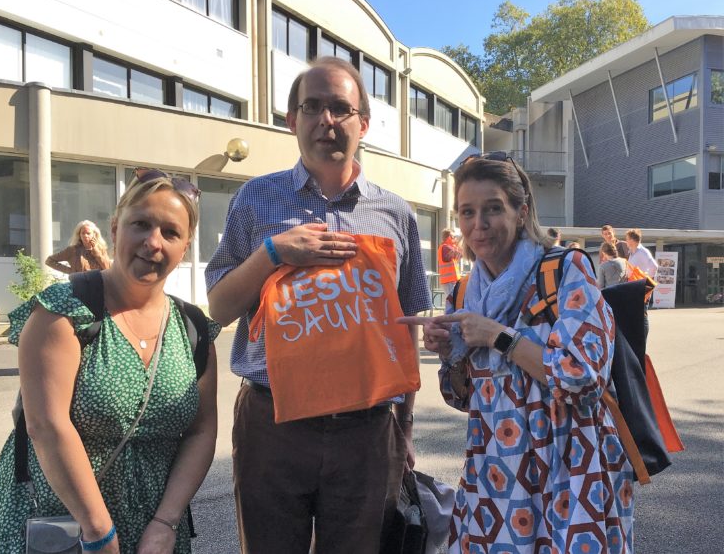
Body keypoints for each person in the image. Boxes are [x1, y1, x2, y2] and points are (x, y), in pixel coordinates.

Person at [205, 56, 430, 553]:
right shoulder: (254, 200)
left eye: (340, 108)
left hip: (366, 431)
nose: (327, 120)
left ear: (363, 124)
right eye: (313, 107)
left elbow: (407, 322)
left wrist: (405, 425)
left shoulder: (396, 213)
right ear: (292, 120)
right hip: (273, 426)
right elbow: (219, 308)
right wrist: (273, 253)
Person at [399, 154, 634, 553]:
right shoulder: (465, 292)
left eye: (493, 209)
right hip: (496, 471)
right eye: (467, 212)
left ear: (521, 211)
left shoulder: (564, 268)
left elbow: (583, 377)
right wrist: (450, 352)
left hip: (568, 464)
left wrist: (498, 336)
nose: (479, 224)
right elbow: (463, 397)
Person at [0, 168, 220, 553]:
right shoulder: (64, 311)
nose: (153, 242)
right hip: (60, 525)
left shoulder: (192, 327)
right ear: (115, 228)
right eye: (140, 224)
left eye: (170, 232)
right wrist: (98, 530)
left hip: (154, 532)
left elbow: (201, 431)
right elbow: (46, 426)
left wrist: (167, 522)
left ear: (186, 245)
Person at [45, 219, 111, 274]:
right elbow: (49, 261)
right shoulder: (73, 250)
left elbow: (108, 268)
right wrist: (71, 271)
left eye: (88, 233)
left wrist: (96, 252)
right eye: (83, 233)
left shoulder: (101, 249)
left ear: (94, 234)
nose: (85, 236)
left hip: (98, 284)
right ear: (79, 235)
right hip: (80, 284)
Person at [626, 228, 658, 338]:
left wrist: (647, 284)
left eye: (627, 239)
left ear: (632, 240)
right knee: (637, 314)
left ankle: (643, 340)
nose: (626, 241)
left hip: (641, 288)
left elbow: (654, 267)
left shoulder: (642, 252)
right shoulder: (632, 252)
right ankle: (638, 337)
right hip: (634, 287)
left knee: (643, 314)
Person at [438, 227, 462, 296]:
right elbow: (459, 254)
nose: (455, 238)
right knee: (452, 300)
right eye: (453, 237)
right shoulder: (445, 247)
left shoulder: (446, 247)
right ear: (449, 237)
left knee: (454, 300)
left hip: (450, 280)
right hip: (449, 281)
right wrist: (459, 244)